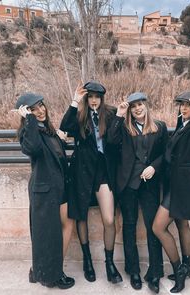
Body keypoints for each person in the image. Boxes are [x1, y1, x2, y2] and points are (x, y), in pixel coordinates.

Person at [60, 81, 123, 284]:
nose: (94, 100)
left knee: (109, 219)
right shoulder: (79, 116)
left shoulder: (111, 113)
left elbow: (117, 138)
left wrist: (122, 114)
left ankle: (109, 263)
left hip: (104, 172)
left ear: (102, 98)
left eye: (97, 97)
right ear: (87, 99)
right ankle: (87, 260)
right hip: (81, 171)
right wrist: (75, 101)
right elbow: (64, 128)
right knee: (81, 216)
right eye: (91, 97)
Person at [152, 90, 190, 293]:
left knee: (158, 227)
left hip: (184, 186)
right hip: (175, 184)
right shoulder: (183, 126)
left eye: (189, 105)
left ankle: (179, 269)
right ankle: (188, 265)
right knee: (181, 223)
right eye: (182, 104)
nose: (184, 108)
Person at [107, 92, 168, 293]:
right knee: (130, 226)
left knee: (153, 227)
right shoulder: (124, 128)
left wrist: (155, 167)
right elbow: (111, 141)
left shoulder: (159, 126)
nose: (137, 109)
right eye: (133, 107)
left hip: (149, 184)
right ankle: (133, 270)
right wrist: (120, 114)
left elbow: (166, 153)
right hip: (128, 185)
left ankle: (155, 273)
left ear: (146, 105)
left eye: (140, 105)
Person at [15, 93, 75, 289]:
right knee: (46, 235)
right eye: (33, 109)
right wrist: (29, 120)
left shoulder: (48, 130)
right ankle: (51, 275)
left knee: (66, 225)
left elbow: (54, 154)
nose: (40, 111)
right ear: (26, 114)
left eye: (41, 106)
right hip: (45, 191)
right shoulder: (29, 132)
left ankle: (46, 269)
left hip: (60, 187)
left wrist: (61, 139)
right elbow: (32, 148)